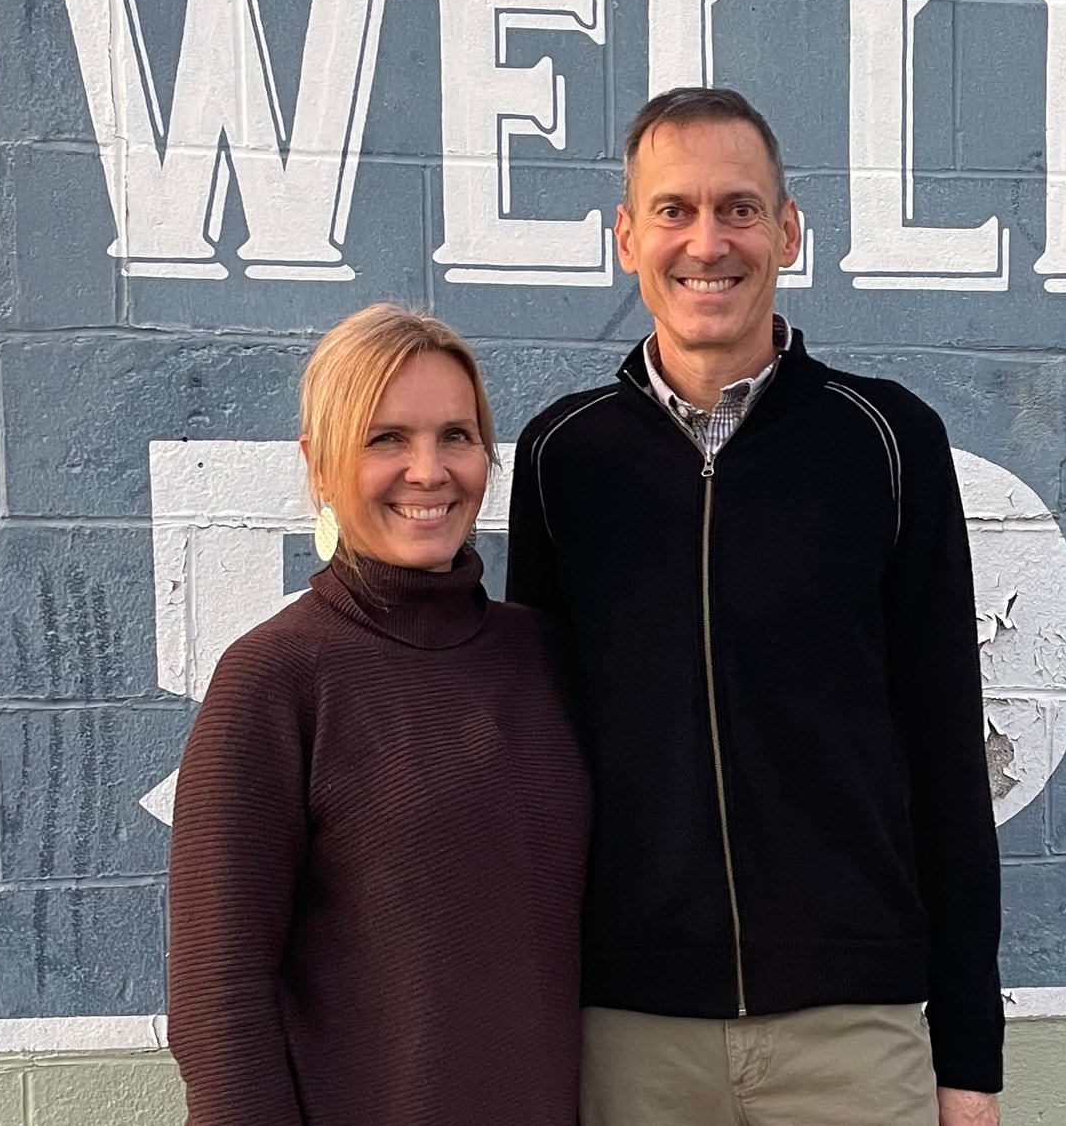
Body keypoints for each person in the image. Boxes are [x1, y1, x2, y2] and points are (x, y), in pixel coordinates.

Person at [508, 88, 1003, 1126]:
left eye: (738, 208)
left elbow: (948, 756)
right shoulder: (565, 460)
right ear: (627, 238)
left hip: (853, 1025)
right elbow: (541, 766)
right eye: (675, 209)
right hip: (630, 1028)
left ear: (787, 230)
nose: (707, 241)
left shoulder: (888, 440)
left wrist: (969, 1060)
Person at [166, 304, 590, 1126]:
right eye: (385, 438)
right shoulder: (275, 678)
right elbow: (219, 1004)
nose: (428, 470)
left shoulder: (544, 658)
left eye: (456, 436)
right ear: (320, 464)